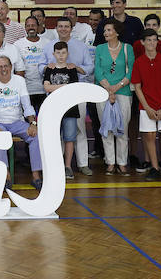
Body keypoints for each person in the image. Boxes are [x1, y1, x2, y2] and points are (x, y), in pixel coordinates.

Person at [41, 17, 95, 176]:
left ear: (71, 28)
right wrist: (46, 67)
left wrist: (77, 68)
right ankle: (60, 165)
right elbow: (41, 66)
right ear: (56, 29)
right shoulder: (49, 46)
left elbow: (90, 68)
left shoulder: (81, 46)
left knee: (79, 129)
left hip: (77, 94)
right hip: (54, 98)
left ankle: (82, 163)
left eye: (66, 26)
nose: (63, 29)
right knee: (57, 132)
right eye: (60, 26)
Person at [0, 56, 40, 189]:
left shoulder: (19, 81)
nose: (4, 69)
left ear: (11, 67)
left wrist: (33, 123)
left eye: (6, 66)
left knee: (36, 136)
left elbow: (27, 105)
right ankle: (6, 175)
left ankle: (36, 176)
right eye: (0, 67)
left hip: (17, 121)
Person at [131, 29, 161, 182]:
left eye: (154, 40)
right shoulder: (138, 62)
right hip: (146, 106)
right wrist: (147, 108)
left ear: (158, 42)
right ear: (142, 42)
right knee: (149, 136)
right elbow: (137, 87)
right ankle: (155, 168)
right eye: (148, 40)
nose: (151, 43)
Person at [93, 19, 134, 176]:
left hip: (123, 92)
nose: (106, 33)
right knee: (106, 128)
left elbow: (130, 71)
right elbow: (97, 70)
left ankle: (122, 163)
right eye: (104, 31)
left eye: (109, 30)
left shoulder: (127, 48)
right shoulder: (100, 48)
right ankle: (110, 162)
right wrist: (108, 88)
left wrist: (116, 87)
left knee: (122, 128)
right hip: (103, 92)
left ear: (117, 32)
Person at [43, 42, 81, 179]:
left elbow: (75, 88)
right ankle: (54, 166)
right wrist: (65, 87)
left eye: (63, 52)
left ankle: (68, 166)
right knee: (53, 138)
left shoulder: (72, 69)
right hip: (53, 109)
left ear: (67, 54)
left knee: (69, 139)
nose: (61, 55)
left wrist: (55, 87)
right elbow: (46, 88)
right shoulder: (50, 69)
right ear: (53, 54)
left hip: (70, 108)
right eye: (58, 53)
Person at [14, 16, 51, 114]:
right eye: (28, 25)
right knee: (28, 121)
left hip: (44, 89)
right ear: (25, 28)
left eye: (33, 25)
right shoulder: (18, 44)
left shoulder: (47, 43)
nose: (31, 28)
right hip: (26, 90)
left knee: (44, 119)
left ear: (38, 27)